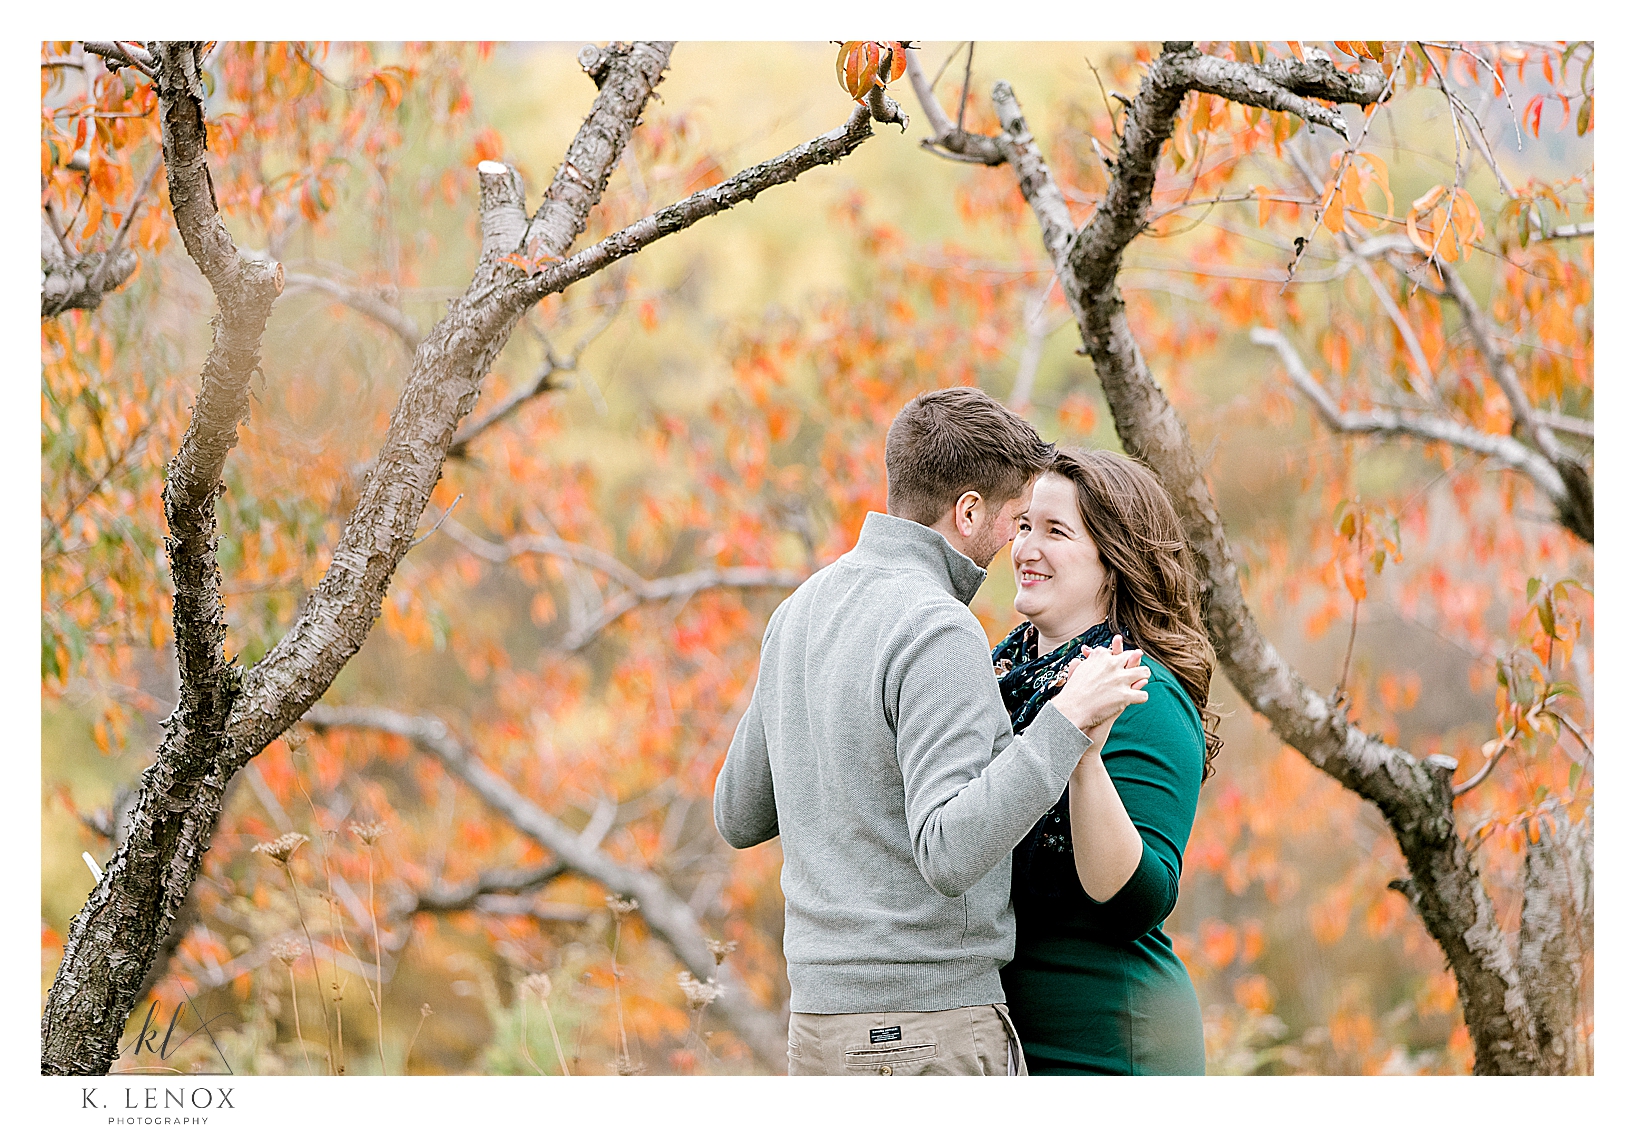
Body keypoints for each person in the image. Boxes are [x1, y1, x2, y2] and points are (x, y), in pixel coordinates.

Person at [713, 387, 1152, 1076]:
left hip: (817, 1029)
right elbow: (946, 853)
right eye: (1014, 521)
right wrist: (1064, 723)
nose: (1017, 543)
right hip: (922, 1032)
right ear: (968, 511)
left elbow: (737, 813)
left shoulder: (801, 610)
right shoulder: (937, 627)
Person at [992, 448, 1222, 1074]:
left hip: (1108, 1042)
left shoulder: (1143, 697)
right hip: (1001, 1041)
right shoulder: (997, 679)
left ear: (1112, 561)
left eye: (1056, 531)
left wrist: (1082, 758)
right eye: (1023, 526)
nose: (1026, 548)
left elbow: (1135, 903)